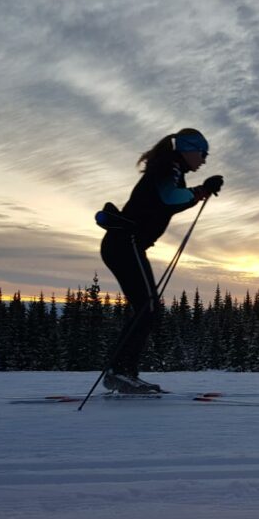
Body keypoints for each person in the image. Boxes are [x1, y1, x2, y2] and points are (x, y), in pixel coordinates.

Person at [98, 128, 223, 394]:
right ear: (188, 150)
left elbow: (169, 202)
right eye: (202, 153)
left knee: (148, 308)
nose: (203, 160)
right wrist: (202, 189)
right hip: (125, 243)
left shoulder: (170, 169)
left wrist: (201, 191)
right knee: (148, 307)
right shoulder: (169, 167)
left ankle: (123, 372)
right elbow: (170, 198)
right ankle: (120, 372)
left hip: (126, 244)